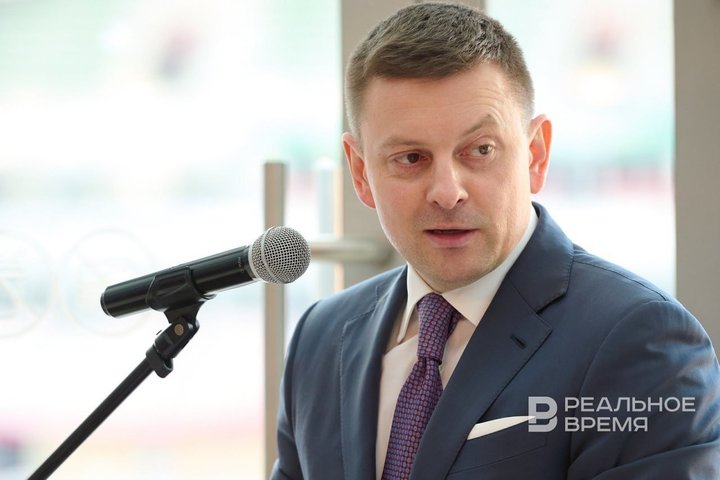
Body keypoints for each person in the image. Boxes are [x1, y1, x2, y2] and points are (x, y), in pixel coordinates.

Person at [272, 3, 720, 479]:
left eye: (480, 150)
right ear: (361, 173)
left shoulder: (638, 338)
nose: (447, 192)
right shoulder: (321, 337)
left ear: (535, 155)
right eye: (410, 158)